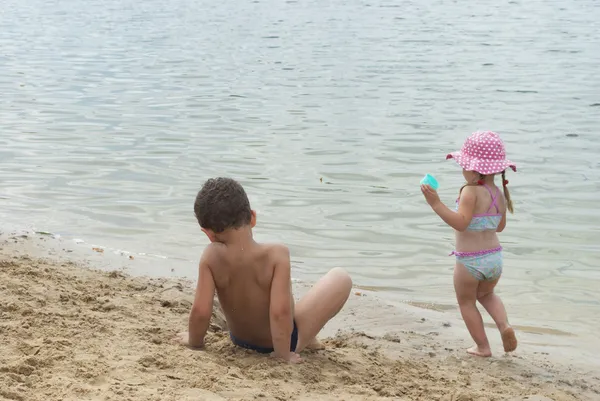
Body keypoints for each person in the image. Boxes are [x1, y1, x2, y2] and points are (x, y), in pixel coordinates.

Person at [175, 177, 352, 363]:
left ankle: (310, 339)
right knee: (340, 278)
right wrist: (283, 355)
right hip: (279, 344)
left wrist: (193, 341)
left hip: (240, 340)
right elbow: (280, 312)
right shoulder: (276, 255)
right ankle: (304, 340)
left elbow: (201, 311)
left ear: (208, 233)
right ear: (252, 217)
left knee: (292, 305)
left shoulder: (211, 257)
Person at [421, 131, 518, 357]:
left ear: (473, 169)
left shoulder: (469, 191)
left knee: (466, 303)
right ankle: (504, 325)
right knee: (486, 295)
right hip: (494, 258)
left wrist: (435, 203)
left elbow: (461, 223)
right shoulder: (498, 194)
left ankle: (483, 347)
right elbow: (499, 227)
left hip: (469, 261)